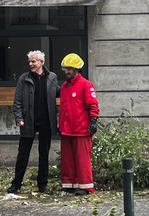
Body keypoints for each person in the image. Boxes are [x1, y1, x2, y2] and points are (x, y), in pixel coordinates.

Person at [9, 50, 60, 195]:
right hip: (28, 121)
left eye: (34, 61)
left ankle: (42, 184)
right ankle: (16, 184)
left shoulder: (52, 77)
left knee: (44, 153)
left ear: (42, 62)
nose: (31, 64)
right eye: (30, 61)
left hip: (46, 121)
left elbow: (58, 92)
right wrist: (19, 118)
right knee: (23, 154)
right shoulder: (23, 78)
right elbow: (17, 101)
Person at [57, 53, 99, 195]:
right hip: (66, 129)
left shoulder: (86, 85)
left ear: (77, 69)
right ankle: (69, 184)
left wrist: (93, 121)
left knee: (82, 159)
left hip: (81, 129)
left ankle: (86, 186)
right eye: (65, 68)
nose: (66, 71)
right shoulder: (64, 87)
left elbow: (92, 105)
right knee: (67, 160)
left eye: (70, 69)